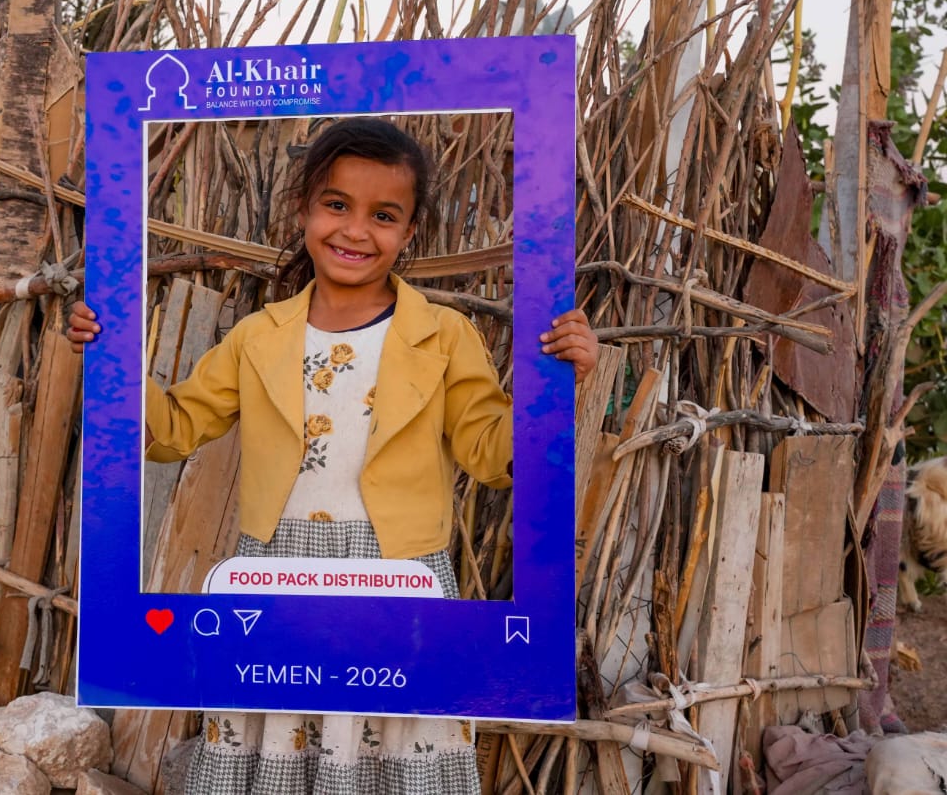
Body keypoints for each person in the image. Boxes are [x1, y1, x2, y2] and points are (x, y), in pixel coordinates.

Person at [68, 117, 595, 794]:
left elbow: (493, 456)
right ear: (303, 210)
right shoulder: (258, 337)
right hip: (276, 577)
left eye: (384, 215)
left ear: (410, 232)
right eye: (337, 204)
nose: (355, 230)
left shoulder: (444, 336)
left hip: (399, 580)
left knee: (387, 744)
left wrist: (557, 388)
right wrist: (110, 355)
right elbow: (169, 430)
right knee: (277, 736)